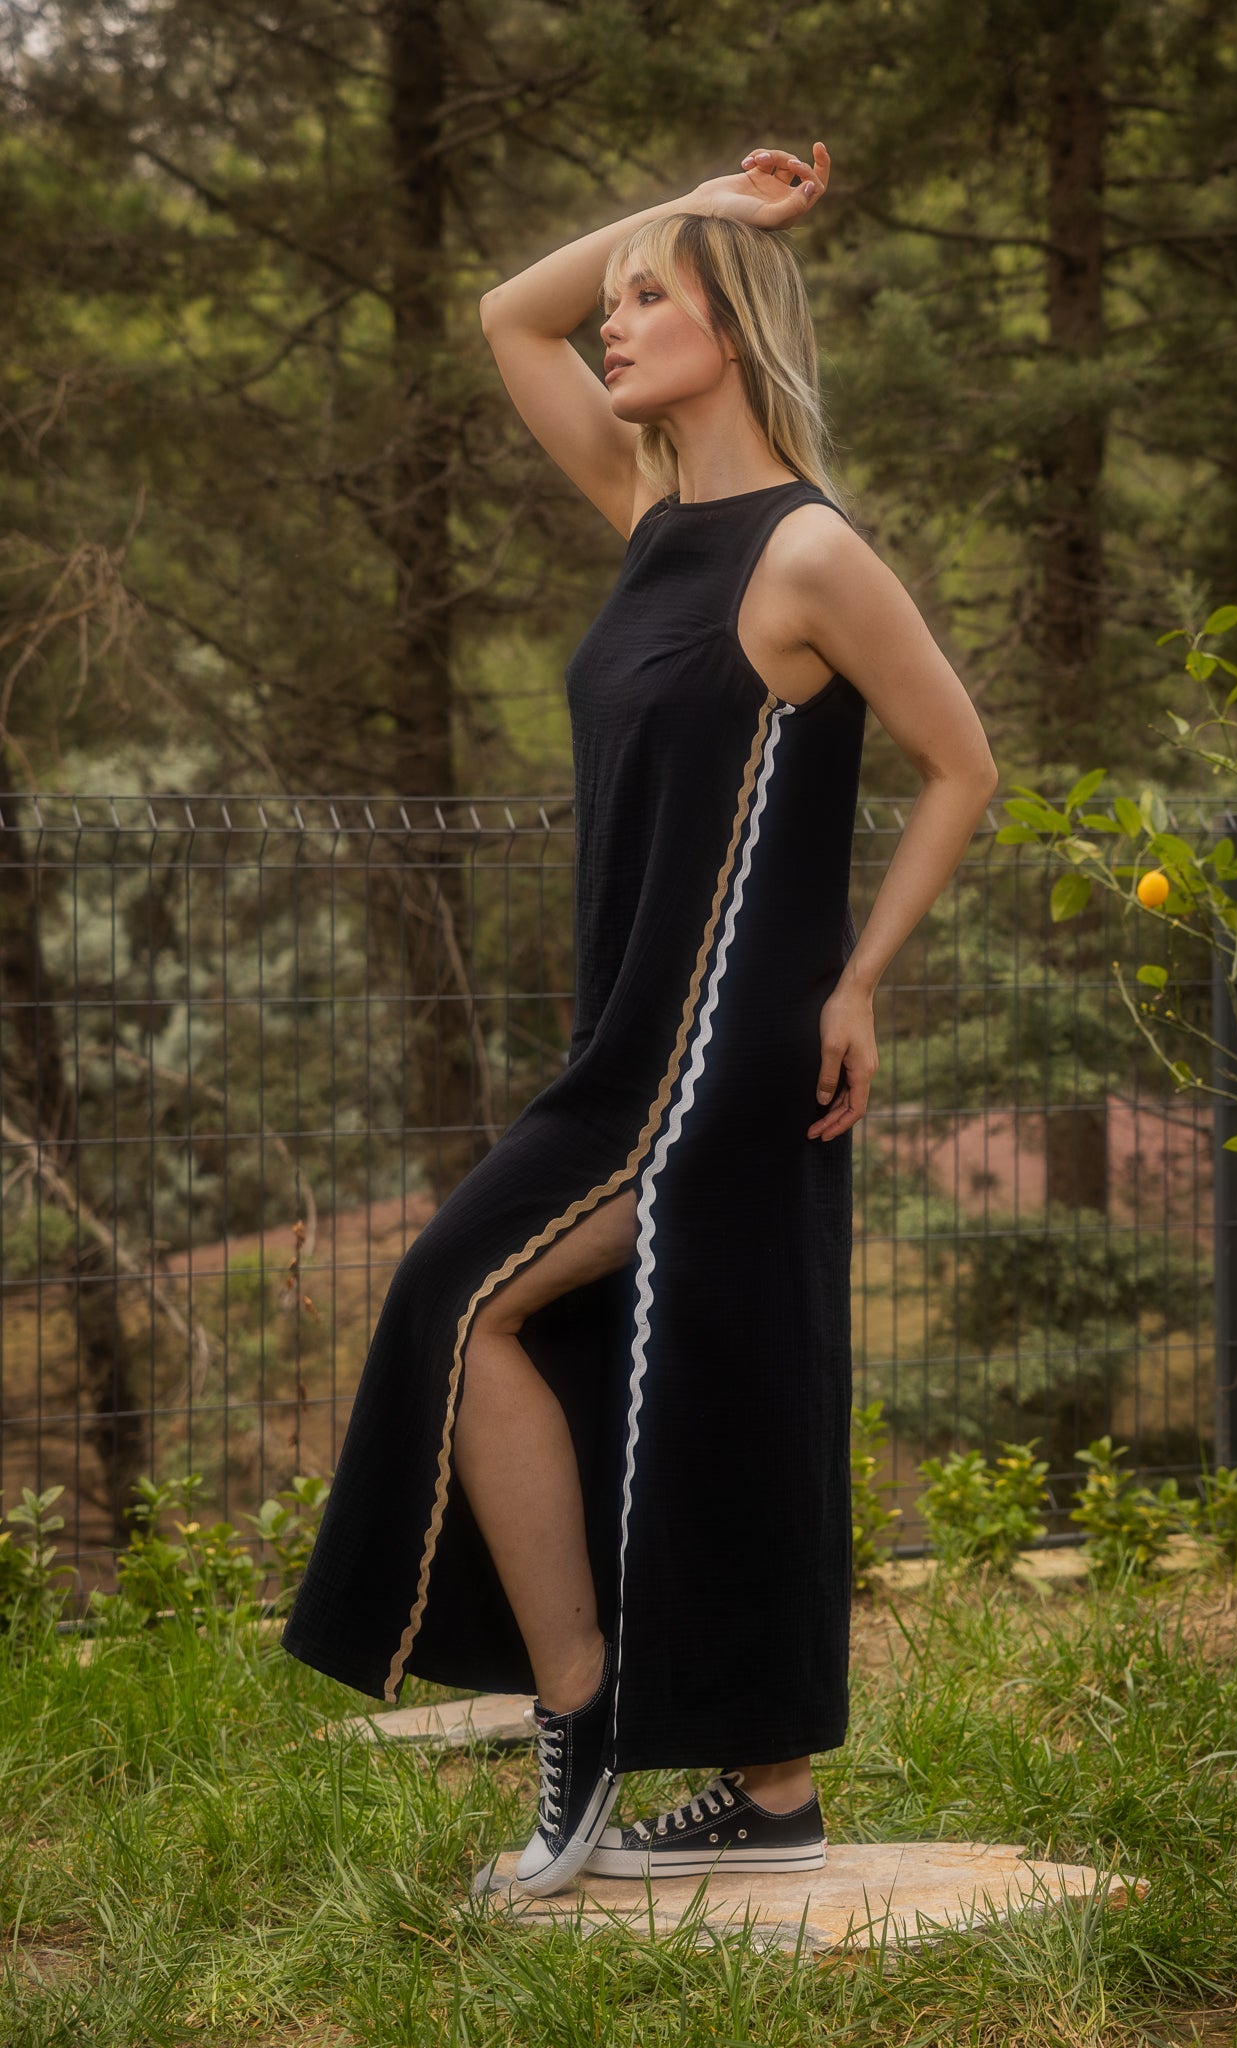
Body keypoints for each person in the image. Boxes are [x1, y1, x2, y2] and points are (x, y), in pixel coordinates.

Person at [280, 140, 997, 1899]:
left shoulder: (808, 550)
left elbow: (960, 763)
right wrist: (693, 204)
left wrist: (857, 979)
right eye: (616, 303)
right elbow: (503, 314)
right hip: (627, 1043)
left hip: (716, 1054)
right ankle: (765, 1793)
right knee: (697, 1375)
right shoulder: (646, 512)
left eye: (650, 298)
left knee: (456, 1295)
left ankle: (583, 1712)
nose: (609, 323)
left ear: (729, 331)